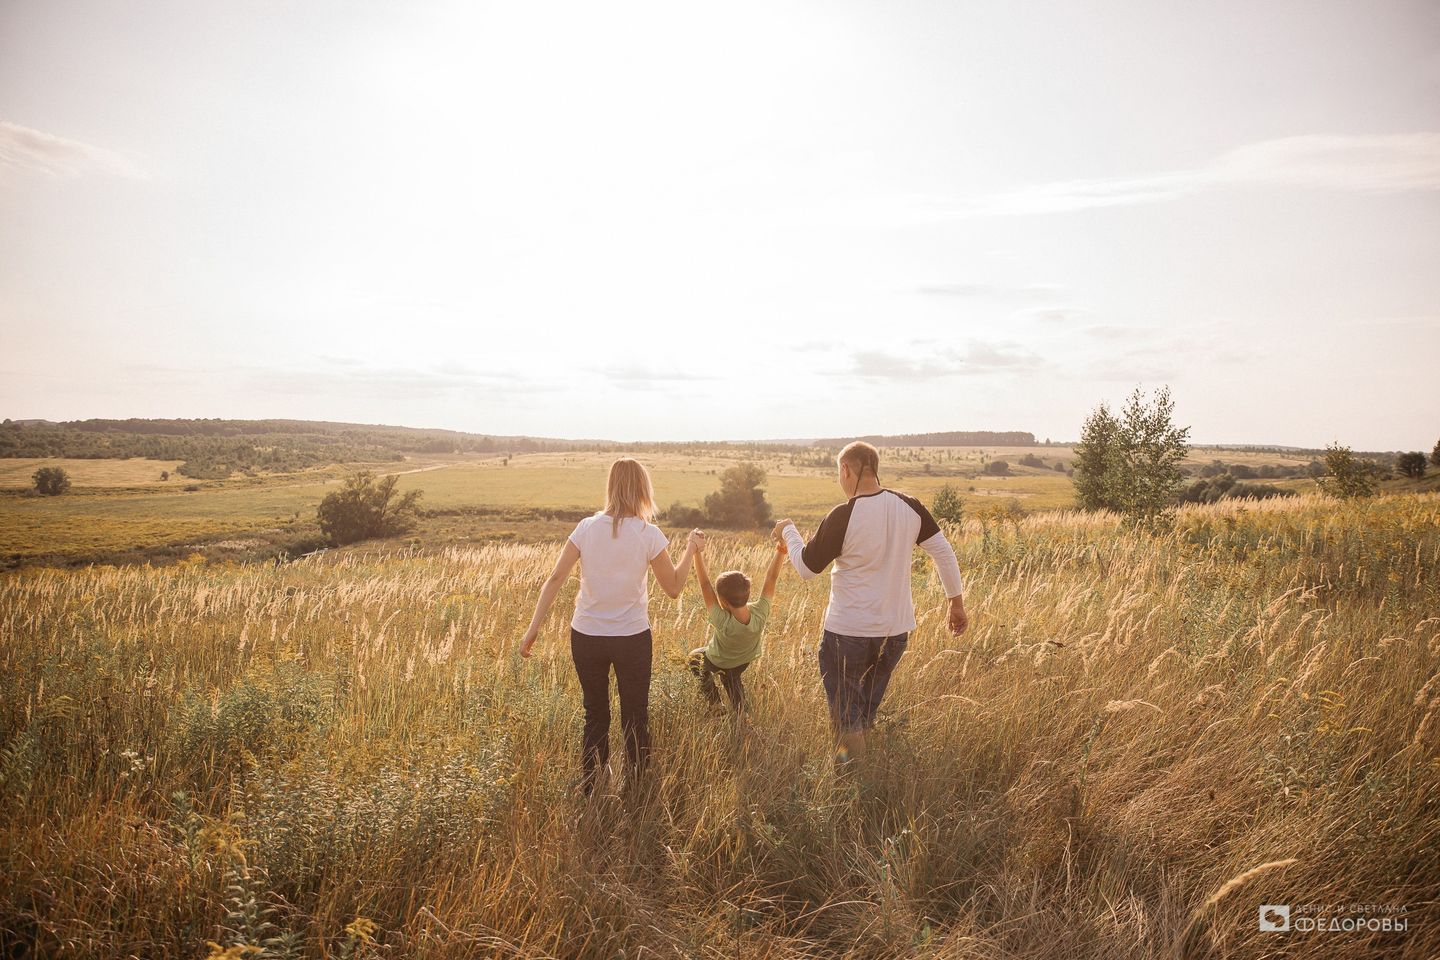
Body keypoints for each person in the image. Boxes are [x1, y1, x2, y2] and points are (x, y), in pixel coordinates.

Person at [773, 441, 968, 767]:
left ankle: (855, 781)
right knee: (864, 711)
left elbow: (806, 568)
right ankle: (867, 772)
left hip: (847, 633)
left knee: (846, 716)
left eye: (839, 473)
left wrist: (789, 531)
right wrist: (956, 604)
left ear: (846, 470)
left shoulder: (844, 515)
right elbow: (944, 553)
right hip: (895, 633)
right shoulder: (910, 507)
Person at [519, 458, 702, 794]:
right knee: (635, 715)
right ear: (643, 489)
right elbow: (674, 588)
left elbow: (555, 578)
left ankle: (592, 789)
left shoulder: (586, 528)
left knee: (595, 714)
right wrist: (690, 549)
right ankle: (637, 790)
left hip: (586, 636)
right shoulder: (649, 534)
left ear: (611, 486)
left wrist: (534, 628)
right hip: (632, 638)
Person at [687, 536, 787, 713]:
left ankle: (715, 703)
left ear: (723, 601)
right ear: (748, 593)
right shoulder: (760, 612)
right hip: (742, 661)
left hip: (717, 661)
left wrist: (696, 552)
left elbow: (705, 584)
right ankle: (741, 712)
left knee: (694, 657)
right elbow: (771, 578)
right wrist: (781, 549)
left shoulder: (722, 620)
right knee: (732, 677)